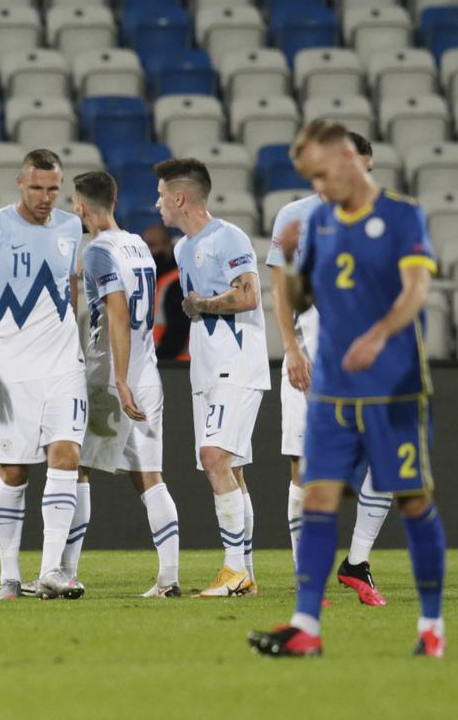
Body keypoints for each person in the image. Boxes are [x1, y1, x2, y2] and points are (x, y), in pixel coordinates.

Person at [250, 120, 446, 658]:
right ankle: (306, 627)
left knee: (411, 499)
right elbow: (301, 297)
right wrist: (289, 263)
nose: (317, 186)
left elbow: (416, 290)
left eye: (320, 173)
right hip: (332, 385)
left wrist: (381, 335)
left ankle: (432, 627)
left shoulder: (402, 215)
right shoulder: (317, 224)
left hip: (390, 384)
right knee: (317, 494)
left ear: (348, 159)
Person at [0, 149, 87, 601]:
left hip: (64, 366)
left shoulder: (71, 227)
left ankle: (52, 569)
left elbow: (69, 287)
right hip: (12, 368)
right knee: (13, 471)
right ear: (19, 183)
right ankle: (10, 576)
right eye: (37, 188)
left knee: (66, 455)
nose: (46, 197)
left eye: (53, 188)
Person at [267, 131, 391, 607]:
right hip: (310, 358)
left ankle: (356, 563)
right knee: (304, 468)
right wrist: (292, 351)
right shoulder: (293, 216)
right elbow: (281, 293)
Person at [155, 157, 270, 597]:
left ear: (181, 197)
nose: (158, 203)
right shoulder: (183, 248)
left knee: (213, 457)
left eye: (163, 196)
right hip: (206, 367)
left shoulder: (229, 237)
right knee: (232, 469)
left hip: (237, 362)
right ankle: (246, 574)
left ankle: (233, 569)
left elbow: (248, 295)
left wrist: (201, 304)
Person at [73, 171, 182, 598]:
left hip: (110, 374)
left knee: (74, 469)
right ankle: (169, 576)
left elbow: (117, 312)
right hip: (148, 373)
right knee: (150, 477)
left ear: (82, 206)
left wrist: (117, 377)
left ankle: (64, 572)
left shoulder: (99, 251)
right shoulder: (139, 244)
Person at [143, 224, 189, 361]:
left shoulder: (176, 282)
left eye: (152, 245)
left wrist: (158, 361)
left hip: (176, 367)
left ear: (168, 247)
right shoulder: (156, 281)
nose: (149, 253)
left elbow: (177, 332)